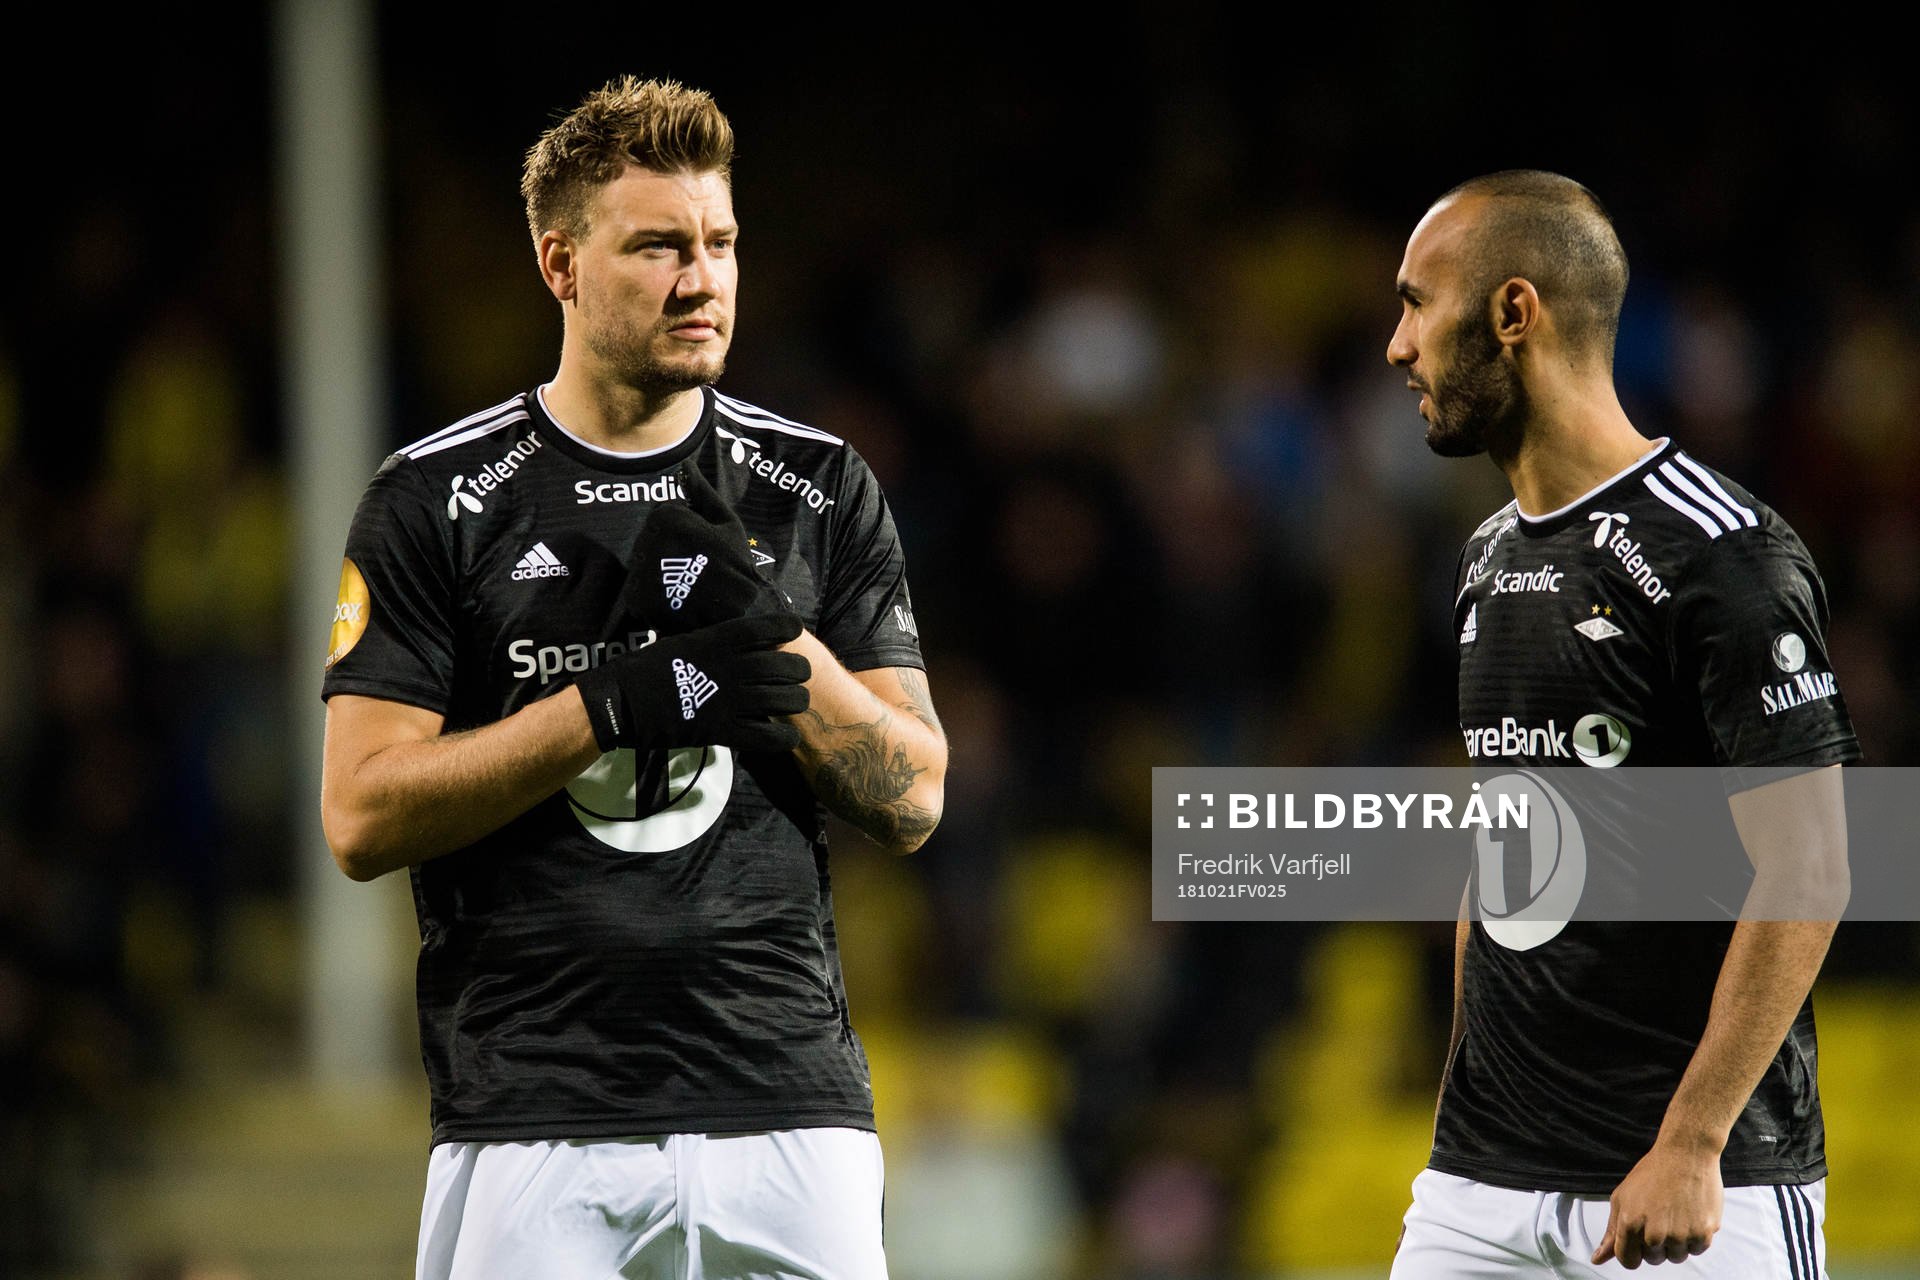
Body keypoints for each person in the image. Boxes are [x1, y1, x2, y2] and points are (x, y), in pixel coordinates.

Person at [319, 76, 946, 1280]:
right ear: (560, 265)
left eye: (719, 243)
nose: (701, 277)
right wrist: (609, 704)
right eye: (658, 244)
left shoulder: (815, 487)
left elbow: (913, 795)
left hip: (790, 1107)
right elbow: (360, 813)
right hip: (533, 1117)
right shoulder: (432, 500)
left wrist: (771, 643)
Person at [1385, 171, 1854, 1277]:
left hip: (1697, 1190)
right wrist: (1468, 1102)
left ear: (1512, 312)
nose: (1398, 344)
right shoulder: (1488, 556)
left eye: (1416, 301)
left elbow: (1816, 866)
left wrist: (1688, 1143)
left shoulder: (1725, 555)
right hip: (1478, 1189)